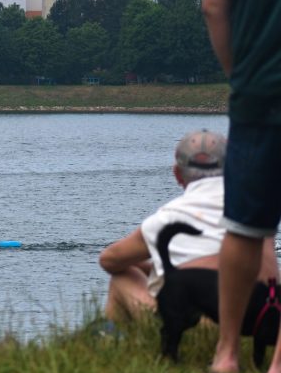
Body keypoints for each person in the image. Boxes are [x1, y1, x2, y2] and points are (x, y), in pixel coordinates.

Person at [200, 0, 281, 373]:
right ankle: (279, 366)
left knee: (244, 228)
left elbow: (213, 6)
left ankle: (227, 353)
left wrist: (239, 71)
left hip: (255, 95)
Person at [99, 130, 276, 324]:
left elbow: (109, 260)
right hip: (253, 319)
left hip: (197, 324)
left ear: (177, 174)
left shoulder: (165, 218)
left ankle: (113, 341)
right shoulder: (254, 207)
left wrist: (146, 266)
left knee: (122, 277)